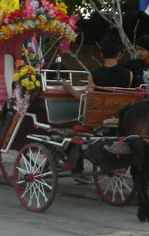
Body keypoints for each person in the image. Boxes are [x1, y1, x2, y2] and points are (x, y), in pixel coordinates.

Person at [60, 36, 134, 184]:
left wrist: (69, 88)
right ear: (119, 54)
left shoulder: (93, 75)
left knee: (74, 127)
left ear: (101, 54)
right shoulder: (129, 75)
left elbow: (86, 100)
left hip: (98, 121)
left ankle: (75, 168)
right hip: (120, 119)